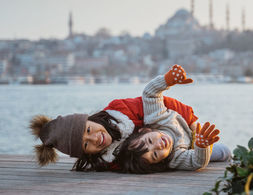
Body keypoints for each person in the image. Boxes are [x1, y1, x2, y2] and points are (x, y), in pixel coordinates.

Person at [30, 90, 199, 171]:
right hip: (167, 152)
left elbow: (162, 102)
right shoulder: (107, 161)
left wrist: (191, 121)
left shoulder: (120, 110)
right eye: (87, 144)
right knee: (213, 154)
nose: (95, 138)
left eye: (89, 130)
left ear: (91, 119)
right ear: (87, 154)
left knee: (211, 145)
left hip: (173, 131)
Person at [115, 64, 231, 173]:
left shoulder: (156, 118)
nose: (158, 146)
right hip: (197, 146)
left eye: (150, 140)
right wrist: (201, 146)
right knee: (224, 152)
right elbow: (196, 161)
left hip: (193, 132)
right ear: (159, 163)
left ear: (146, 130)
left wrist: (167, 80)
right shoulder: (174, 157)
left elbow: (149, 94)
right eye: (155, 154)